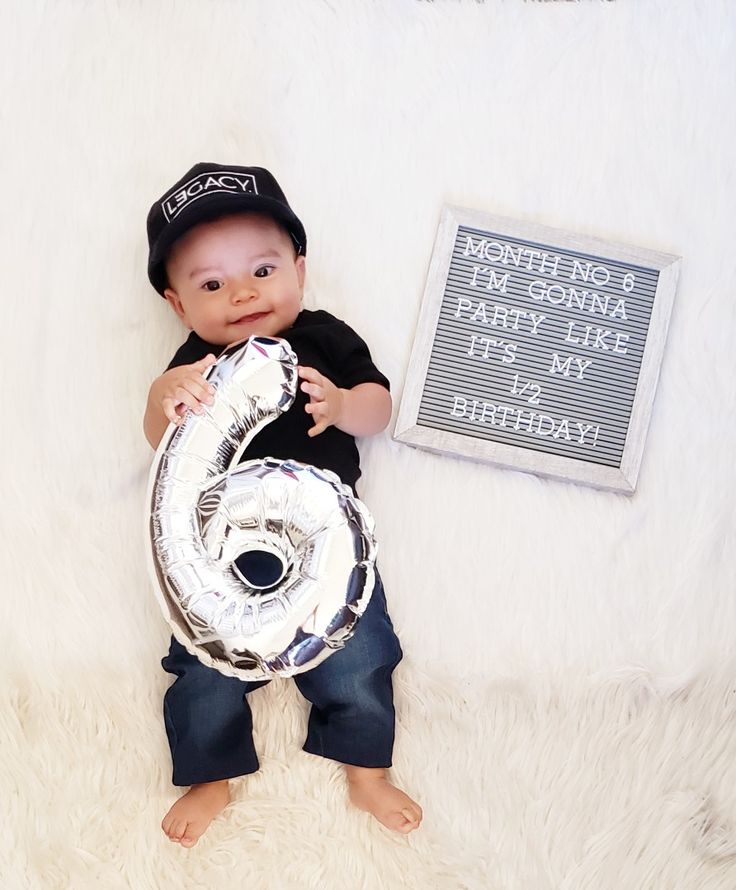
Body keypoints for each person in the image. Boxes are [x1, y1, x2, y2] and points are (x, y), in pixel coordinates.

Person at [143, 163, 423, 848]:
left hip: (326, 544)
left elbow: (380, 408)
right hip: (218, 548)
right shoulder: (195, 362)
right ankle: (210, 773)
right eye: (211, 284)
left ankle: (365, 769)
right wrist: (162, 399)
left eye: (263, 271)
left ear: (300, 267)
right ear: (180, 305)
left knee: (361, 653)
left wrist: (344, 404)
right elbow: (161, 447)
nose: (241, 293)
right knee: (199, 668)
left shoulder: (324, 337)